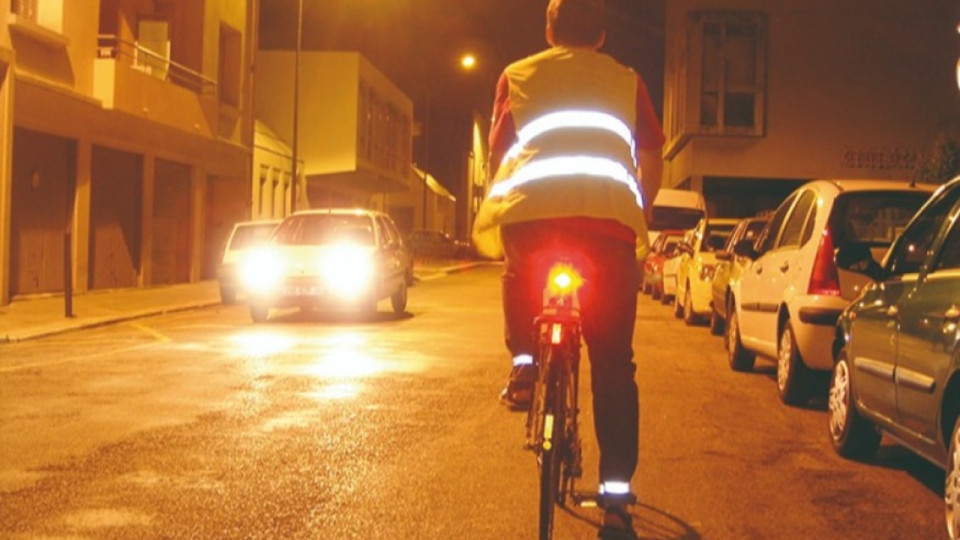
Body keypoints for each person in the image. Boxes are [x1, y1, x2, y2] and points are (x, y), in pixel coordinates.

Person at [471, 0, 664, 537]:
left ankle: (527, 364)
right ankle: (617, 502)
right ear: (601, 34)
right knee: (613, 364)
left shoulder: (519, 75)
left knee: (519, 270)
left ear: (550, 29)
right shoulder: (627, 81)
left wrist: (505, 198)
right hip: (608, 231)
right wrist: (638, 208)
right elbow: (652, 155)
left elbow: (498, 153)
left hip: (535, 221)